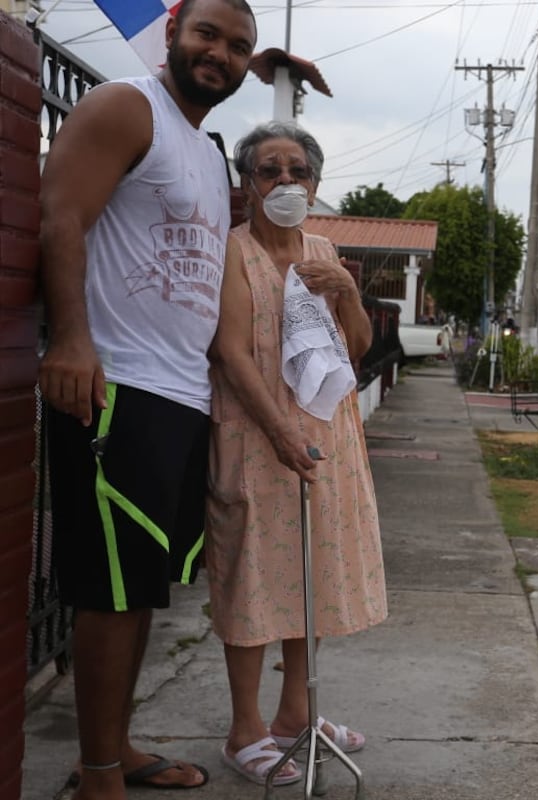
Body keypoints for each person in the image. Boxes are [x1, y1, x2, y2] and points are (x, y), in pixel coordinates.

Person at [37, 1, 256, 796]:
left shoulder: (207, 153)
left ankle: (117, 746)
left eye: (239, 47)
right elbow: (60, 215)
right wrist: (72, 339)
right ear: (172, 33)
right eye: (207, 34)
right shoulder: (126, 108)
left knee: (140, 590)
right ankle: (99, 773)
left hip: (180, 394)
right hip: (116, 382)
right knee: (109, 591)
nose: (220, 54)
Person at [205, 121, 388, 785]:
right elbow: (229, 352)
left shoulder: (323, 248)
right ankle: (244, 730)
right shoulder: (233, 250)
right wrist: (280, 432)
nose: (285, 181)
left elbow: (357, 345)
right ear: (248, 184)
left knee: (310, 575)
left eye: (298, 171)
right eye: (269, 170)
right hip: (255, 435)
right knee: (252, 575)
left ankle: (295, 717)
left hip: (326, 435)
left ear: (314, 183)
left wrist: (346, 290)